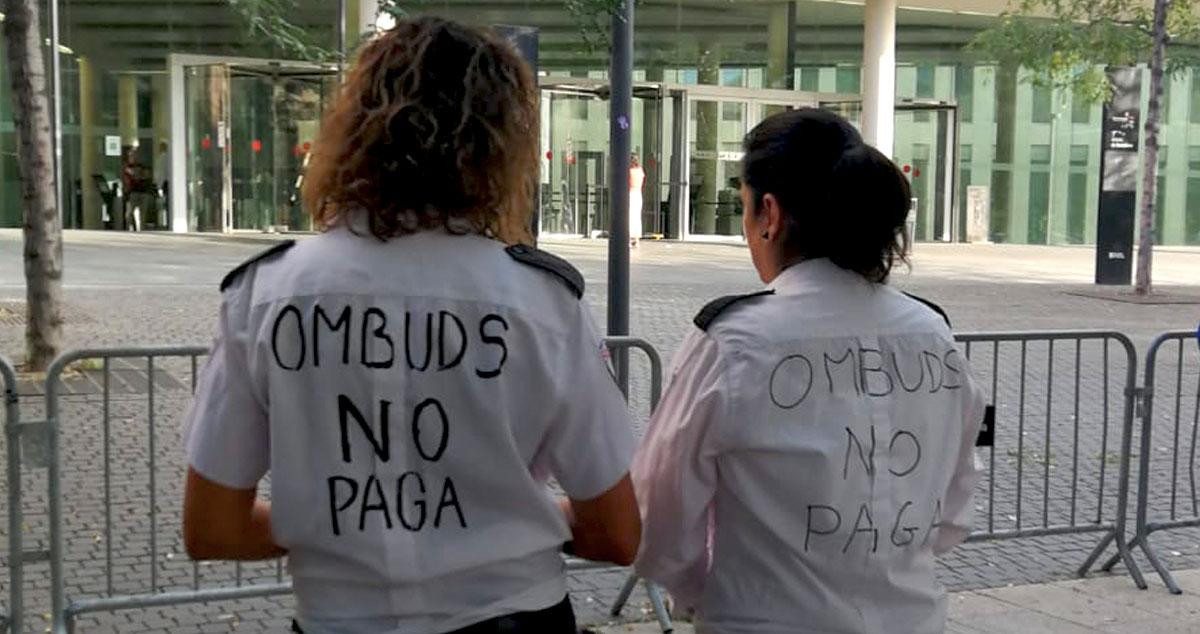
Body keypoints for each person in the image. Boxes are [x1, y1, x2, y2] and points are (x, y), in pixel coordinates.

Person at [181, 17, 641, 634]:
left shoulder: (265, 295)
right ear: (500, 145)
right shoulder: (540, 303)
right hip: (513, 617)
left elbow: (213, 527)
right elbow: (617, 532)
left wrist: (333, 530)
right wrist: (509, 520)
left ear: (354, 129)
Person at [632, 108, 985, 634]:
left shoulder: (734, 341)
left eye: (744, 210)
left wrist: (704, 591)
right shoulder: (934, 336)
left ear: (769, 214)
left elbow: (658, 517)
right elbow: (954, 509)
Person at [628, 154, 645, 248]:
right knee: (637, 217)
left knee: (629, 217)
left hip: (631, 193)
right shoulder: (640, 170)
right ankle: (637, 239)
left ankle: (629, 238)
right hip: (638, 193)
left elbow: (627, 182)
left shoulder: (630, 171)